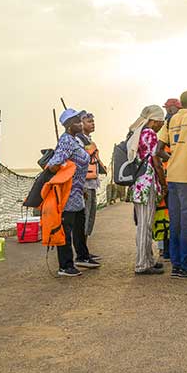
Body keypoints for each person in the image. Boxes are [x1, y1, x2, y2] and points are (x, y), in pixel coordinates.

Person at [47, 108, 99, 276]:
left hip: (77, 191)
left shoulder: (74, 140)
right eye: (77, 122)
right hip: (67, 193)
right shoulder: (66, 141)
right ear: (69, 125)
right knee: (66, 229)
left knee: (79, 226)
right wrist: (66, 177)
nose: (80, 124)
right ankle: (65, 265)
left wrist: (80, 186)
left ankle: (82, 256)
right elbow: (53, 164)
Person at [158, 91, 187, 279]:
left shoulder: (170, 120)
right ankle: (186, 266)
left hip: (173, 175)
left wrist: (173, 157)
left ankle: (176, 265)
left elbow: (158, 150)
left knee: (175, 223)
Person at [127, 105, 167, 275]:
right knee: (145, 225)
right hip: (147, 183)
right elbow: (156, 161)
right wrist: (164, 183)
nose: (161, 125)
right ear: (154, 120)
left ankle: (148, 259)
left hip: (138, 184)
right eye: (161, 122)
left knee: (144, 224)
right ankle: (142, 264)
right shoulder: (149, 134)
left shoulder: (138, 133)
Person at [76, 112, 105, 262]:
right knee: (84, 218)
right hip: (84, 185)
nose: (92, 124)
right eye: (89, 121)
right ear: (81, 124)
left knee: (90, 218)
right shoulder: (78, 141)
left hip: (92, 183)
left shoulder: (88, 140)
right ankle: (81, 254)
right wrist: (80, 187)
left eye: (93, 121)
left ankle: (85, 250)